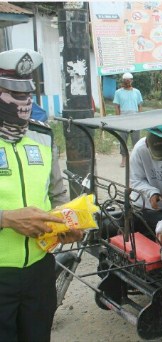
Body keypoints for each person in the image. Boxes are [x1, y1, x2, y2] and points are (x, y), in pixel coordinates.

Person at [0, 48, 82, 341]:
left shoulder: (43, 135)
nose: (23, 103)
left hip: (40, 270)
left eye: (27, 93)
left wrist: (67, 223)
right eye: (12, 92)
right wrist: (6, 219)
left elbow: (57, 193)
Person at [113, 72, 143, 168]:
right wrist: (119, 119)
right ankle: (124, 159)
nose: (127, 82)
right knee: (122, 139)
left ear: (132, 81)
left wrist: (140, 117)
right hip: (123, 118)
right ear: (123, 81)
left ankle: (136, 160)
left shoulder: (137, 92)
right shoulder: (118, 92)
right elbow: (117, 106)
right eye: (125, 80)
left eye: (129, 80)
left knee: (136, 140)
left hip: (135, 118)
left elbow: (140, 105)